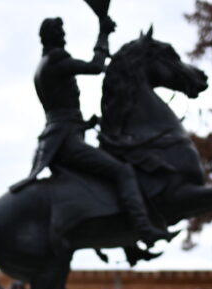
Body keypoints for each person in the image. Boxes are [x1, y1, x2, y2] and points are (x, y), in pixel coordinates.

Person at [10, 15, 169, 247]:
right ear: (54, 37)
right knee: (122, 171)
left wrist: (85, 124)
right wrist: (103, 34)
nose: (64, 37)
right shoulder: (57, 60)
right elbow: (95, 67)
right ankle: (143, 230)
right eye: (61, 33)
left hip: (62, 135)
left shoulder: (43, 65)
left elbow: (61, 111)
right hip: (65, 142)